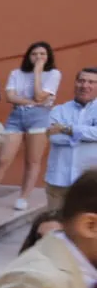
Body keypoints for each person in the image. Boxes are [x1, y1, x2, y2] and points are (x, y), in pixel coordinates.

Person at [0, 41, 60, 212]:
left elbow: (40, 96)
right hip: (16, 116)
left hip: (40, 117)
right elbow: (10, 97)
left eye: (42, 54)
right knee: (3, 158)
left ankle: (23, 197)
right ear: (28, 56)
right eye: (35, 54)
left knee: (32, 160)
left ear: (48, 57)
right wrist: (31, 101)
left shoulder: (54, 74)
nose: (38, 57)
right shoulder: (16, 73)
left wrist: (38, 72)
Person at [47, 67, 97, 211]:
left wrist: (67, 129)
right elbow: (54, 137)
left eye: (91, 82)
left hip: (91, 183)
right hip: (58, 180)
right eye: (81, 81)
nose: (85, 86)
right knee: (55, 226)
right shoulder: (59, 110)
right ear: (75, 83)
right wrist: (87, 136)